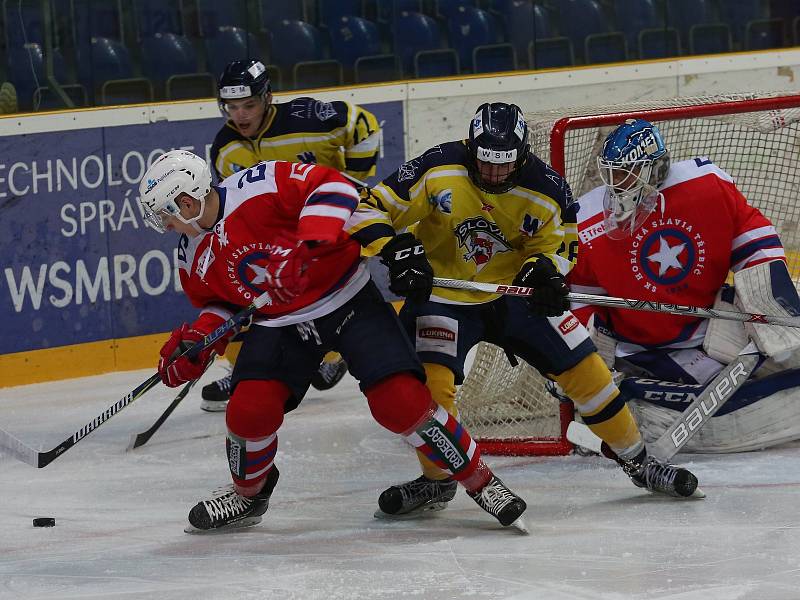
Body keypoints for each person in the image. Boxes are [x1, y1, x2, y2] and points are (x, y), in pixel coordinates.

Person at [137, 149, 528, 532]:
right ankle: (247, 495)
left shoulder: (260, 184)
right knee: (248, 411)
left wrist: (305, 251)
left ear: (186, 203)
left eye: (165, 216)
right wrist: (200, 339)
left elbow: (337, 189)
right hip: (281, 324)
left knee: (400, 401)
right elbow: (223, 305)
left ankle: (482, 482)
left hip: (346, 299)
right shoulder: (191, 252)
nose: (167, 227)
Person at [346, 102, 702, 518]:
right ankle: (438, 480)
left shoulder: (547, 186)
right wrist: (395, 249)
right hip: (445, 296)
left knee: (587, 371)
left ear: (522, 154)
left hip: (515, 294)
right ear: (470, 146)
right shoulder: (437, 167)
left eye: (504, 164)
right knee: (431, 390)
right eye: (485, 162)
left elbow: (562, 242)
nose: (494, 174)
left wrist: (547, 271)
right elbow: (368, 206)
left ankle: (638, 462)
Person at [567, 118, 800, 452]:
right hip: (644, 348)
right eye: (612, 172)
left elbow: (753, 237)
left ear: (655, 168)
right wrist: (578, 361)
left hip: (714, 320)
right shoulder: (587, 219)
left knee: (791, 350)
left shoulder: (705, 184)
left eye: (626, 172)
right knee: (709, 399)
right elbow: (578, 298)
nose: (616, 183)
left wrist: (768, 305)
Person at [201, 58, 382, 409]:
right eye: (232, 107)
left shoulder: (310, 118)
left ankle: (333, 354)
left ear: (267, 97)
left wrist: (355, 183)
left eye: (249, 105)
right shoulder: (224, 146)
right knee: (248, 286)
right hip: (276, 236)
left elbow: (365, 124)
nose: (240, 115)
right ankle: (244, 370)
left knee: (329, 286)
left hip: (327, 220)